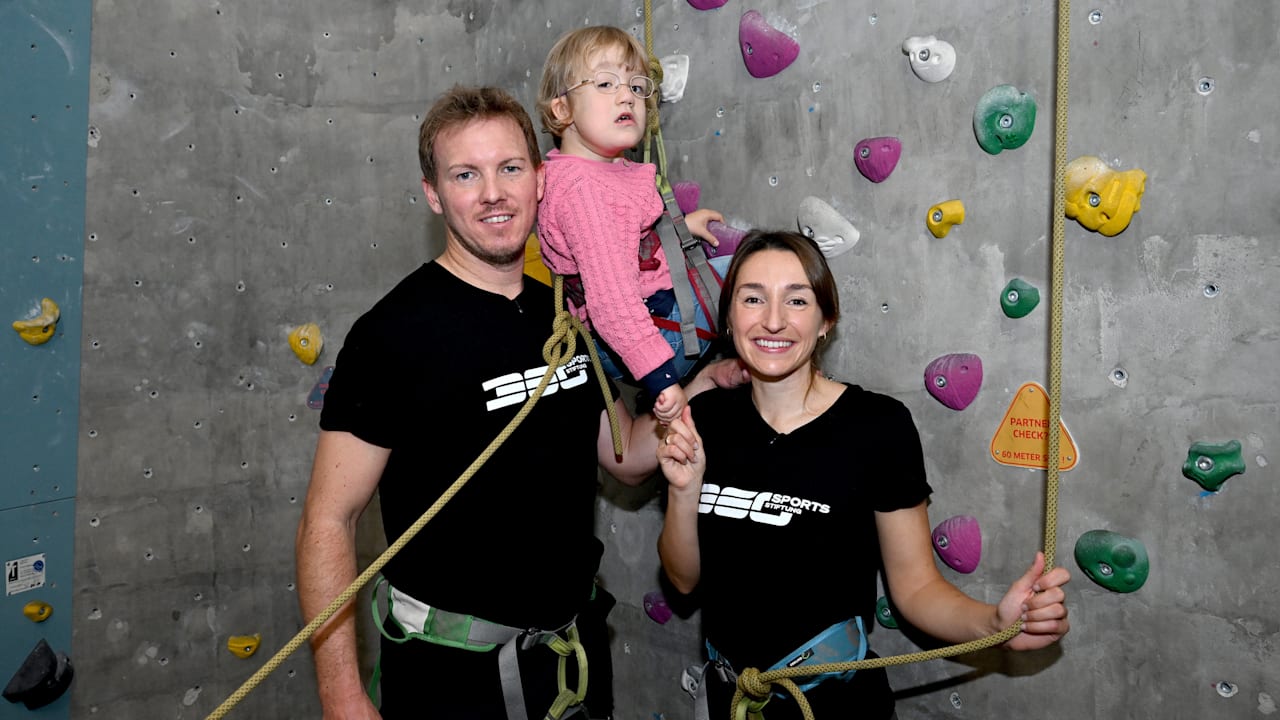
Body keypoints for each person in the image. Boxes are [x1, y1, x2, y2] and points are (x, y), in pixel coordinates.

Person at [294, 84, 749, 720]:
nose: (492, 193)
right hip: (451, 678)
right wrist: (341, 695)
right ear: (433, 193)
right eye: (464, 174)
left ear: (541, 179)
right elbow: (327, 521)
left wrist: (700, 387)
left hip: (571, 662)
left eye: (509, 168)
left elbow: (621, 455)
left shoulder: (563, 312)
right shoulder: (391, 335)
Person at [656, 230, 1071, 720]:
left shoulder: (877, 426)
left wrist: (994, 623)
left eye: (797, 299)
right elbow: (683, 582)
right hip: (731, 700)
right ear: (729, 317)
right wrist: (684, 493)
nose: (773, 320)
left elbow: (916, 589)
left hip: (836, 705)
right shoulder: (704, 418)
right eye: (752, 298)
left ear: (826, 319)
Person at [535, 25, 737, 426]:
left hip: (644, 327)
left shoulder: (591, 171)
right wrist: (661, 379)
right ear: (562, 110)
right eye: (606, 83)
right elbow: (613, 305)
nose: (627, 95)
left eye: (637, 86)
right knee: (758, 276)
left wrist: (679, 229)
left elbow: (625, 239)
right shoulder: (585, 193)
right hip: (652, 335)